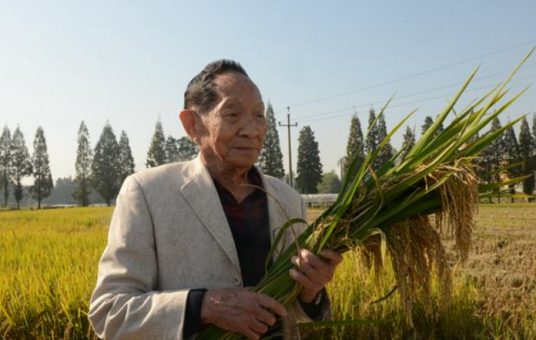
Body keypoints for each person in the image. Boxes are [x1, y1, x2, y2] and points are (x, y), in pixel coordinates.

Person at [88, 60, 343, 340]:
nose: (251, 130)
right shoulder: (148, 193)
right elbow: (110, 312)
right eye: (232, 115)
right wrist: (203, 306)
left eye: (259, 116)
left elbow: (298, 318)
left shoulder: (289, 200)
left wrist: (311, 293)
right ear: (192, 124)